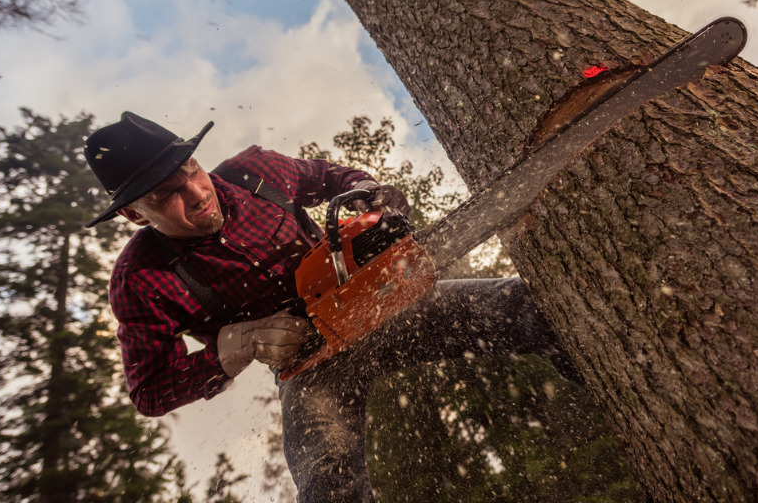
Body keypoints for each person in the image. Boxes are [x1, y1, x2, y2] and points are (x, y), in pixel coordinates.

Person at [84, 111, 579, 502]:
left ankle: (610, 373)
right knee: (329, 488)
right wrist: (230, 350)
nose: (195, 193)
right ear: (133, 213)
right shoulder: (140, 279)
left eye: (189, 170)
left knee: (526, 303)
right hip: (311, 367)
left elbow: (332, 177)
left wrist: (370, 196)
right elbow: (148, 390)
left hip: (374, 303)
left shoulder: (255, 172)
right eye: (168, 194)